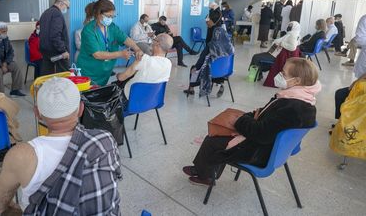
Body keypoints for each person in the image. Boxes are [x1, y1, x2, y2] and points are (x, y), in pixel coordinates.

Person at [183, 57, 320, 185]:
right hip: (274, 148)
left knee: (213, 139)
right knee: (224, 135)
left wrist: (240, 120)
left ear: (296, 81)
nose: (279, 74)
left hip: (260, 153)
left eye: (283, 73)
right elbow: (265, 113)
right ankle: (203, 169)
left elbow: (260, 134)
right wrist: (248, 118)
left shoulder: (292, 107)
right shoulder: (302, 100)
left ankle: (205, 175)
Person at [0, 77, 121, 215]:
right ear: (81, 109)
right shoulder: (104, 140)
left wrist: (6, 208)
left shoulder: (20, 156)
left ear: (38, 114)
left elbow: (3, 196)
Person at [77, 0, 143, 86]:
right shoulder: (88, 31)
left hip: (104, 72)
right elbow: (97, 54)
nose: (110, 19)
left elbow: (125, 39)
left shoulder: (111, 27)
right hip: (89, 72)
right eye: (108, 16)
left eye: (112, 17)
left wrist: (137, 49)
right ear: (98, 14)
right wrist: (120, 54)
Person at [116, 33, 173, 99]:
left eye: (154, 39)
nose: (152, 41)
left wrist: (118, 75)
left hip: (131, 97)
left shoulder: (144, 59)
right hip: (151, 99)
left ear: (157, 43)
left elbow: (121, 77)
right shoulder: (168, 63)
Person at [183, 25, 234, 97]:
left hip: (211, 74)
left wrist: (196, 68)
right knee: (219, 66)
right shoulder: (230, 47)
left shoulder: (211, 47)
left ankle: (191, 89)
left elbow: (201, 61)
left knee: (194, 69)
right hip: (225, 72)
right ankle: (221, 84)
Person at [39, 0, 71, 75]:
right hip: (58, 53)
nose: (66, 9)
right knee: (63, 78)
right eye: (67, 7)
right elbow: (55, 36)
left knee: (47, 77)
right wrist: (63, 50)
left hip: (45, 51)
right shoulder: (57, 14)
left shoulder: (45, 13)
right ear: (61, 3)